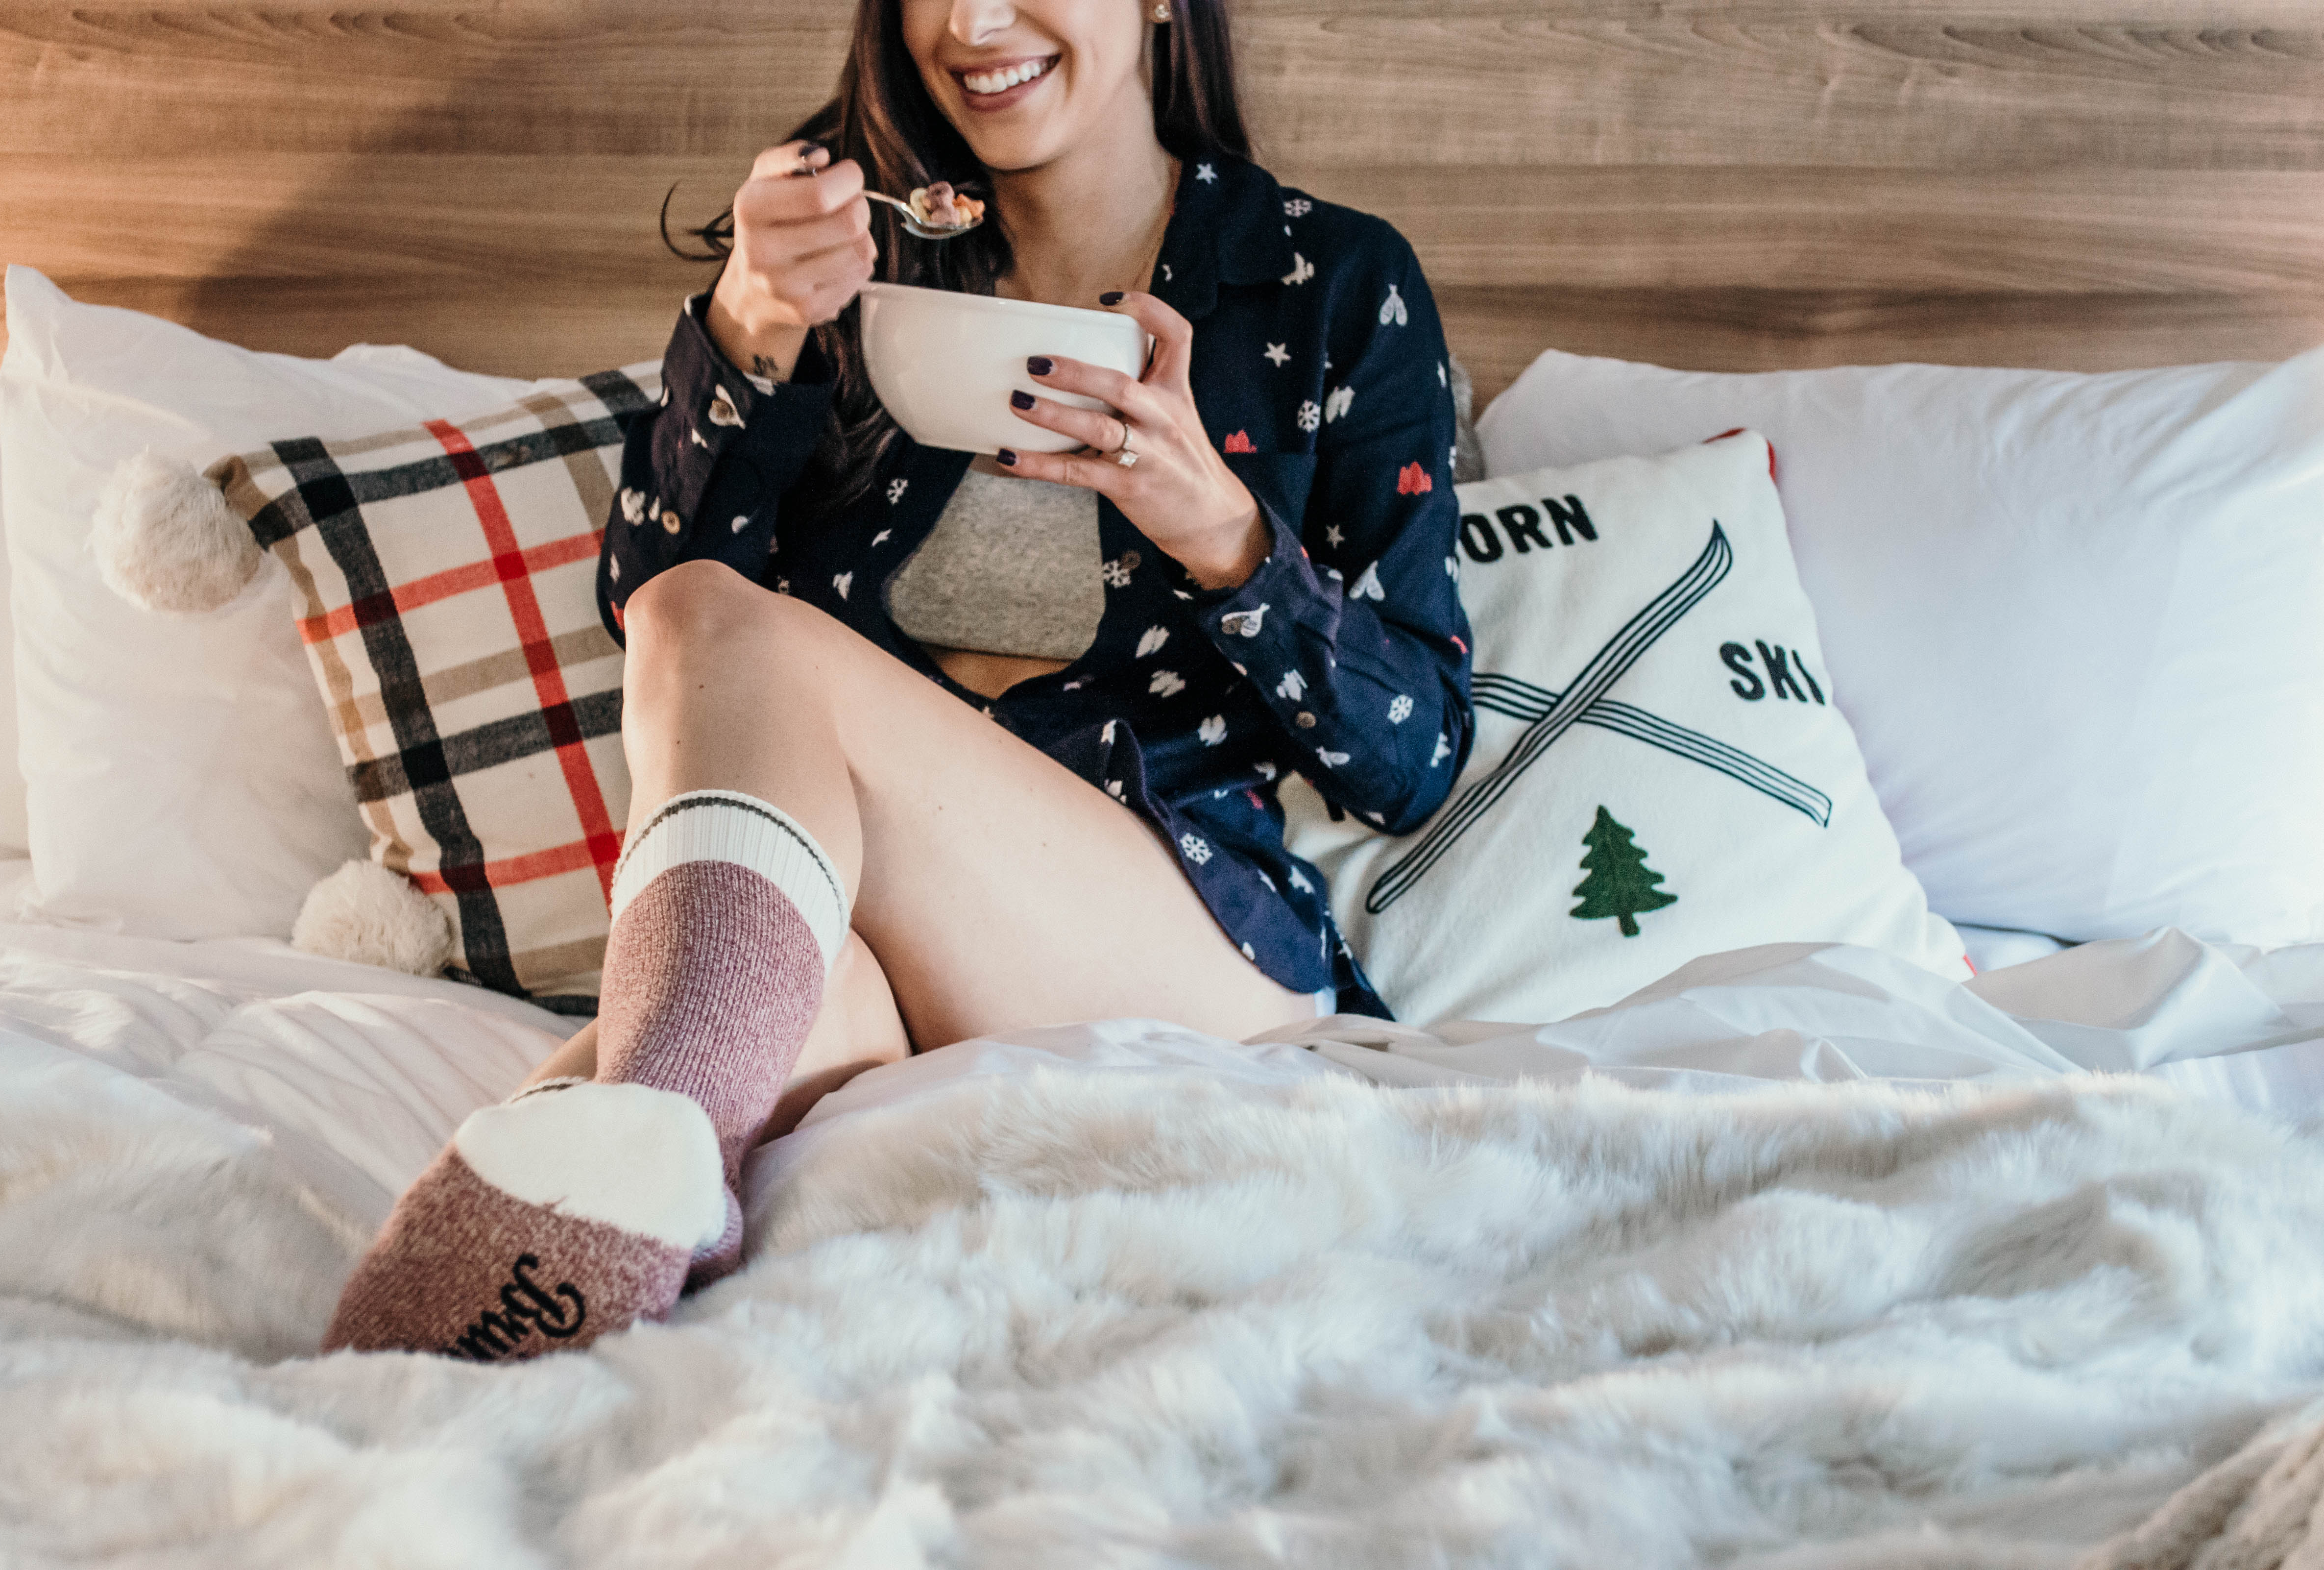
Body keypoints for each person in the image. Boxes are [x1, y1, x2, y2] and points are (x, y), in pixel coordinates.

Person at [320, 0, 1472, 1363]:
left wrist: (1225, 536)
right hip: (872, 948)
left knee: (708, 661)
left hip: (1188, 958)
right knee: (744, 1015)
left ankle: (553, 1205)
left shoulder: (1327, 282)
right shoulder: (860, 265)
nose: (974, 21)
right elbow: (658, 620)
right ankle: (436, 1364)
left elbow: (1413, 761)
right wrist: (751, 324)